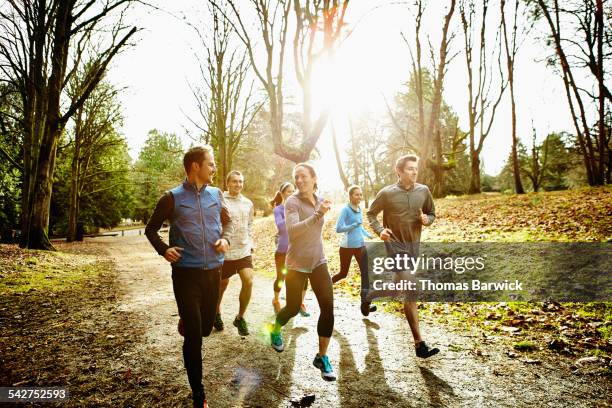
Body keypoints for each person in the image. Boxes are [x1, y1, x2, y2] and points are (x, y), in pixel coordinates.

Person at [145, 145, 233, 408]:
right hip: (185, 275)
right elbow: (150, 230)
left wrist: (225, 239)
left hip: (213, 272)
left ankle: (189, 319)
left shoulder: (217, 195)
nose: (215, 168)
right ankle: (198, 393)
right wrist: (164, 249)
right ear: (195, 166)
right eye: (211, 164)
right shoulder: (171, 198)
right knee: (194, 337)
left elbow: (227, 222)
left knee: (205, 328)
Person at [366, 154, 440, 359]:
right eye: (409, 168)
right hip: (395, 247)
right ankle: (419, 344)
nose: (414, 172)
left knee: (394, 290)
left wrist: (427, 220)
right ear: (399, 171)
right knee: (411, 289)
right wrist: (380, 230)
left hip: (413, 248)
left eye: (415, 168)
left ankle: (369, 297)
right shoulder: (387, 193)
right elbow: (371, 214)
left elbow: (432, 213)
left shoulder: (423, 191)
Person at [269, 163, 337, 381]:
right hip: (296, 265)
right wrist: (318, 214)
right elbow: (293, 231)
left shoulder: (320, 200)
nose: (299, 181)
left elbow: (316, 229)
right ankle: (276, 328)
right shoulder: (291, 202)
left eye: (303, 176)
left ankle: (322, 356)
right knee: (292, 307)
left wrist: (321, 211)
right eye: (296, 177)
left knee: (328, 306)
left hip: (318, 261)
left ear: (314, 178)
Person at [215, 171, 254, 336]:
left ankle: (240, 317)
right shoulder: (220, 201)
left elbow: (250, 224)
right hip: (226, 252)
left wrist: (251, 242)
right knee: (221, 286)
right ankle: (216, 313)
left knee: (249, 280)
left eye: (240, 181)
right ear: (228, 183)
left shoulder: (248, 203)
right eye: (235, 182)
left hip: (244, 250)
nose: (238, 184)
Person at [332, 185, 376, 316]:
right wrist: (352, 226)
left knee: (366, 272)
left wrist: (367, 234)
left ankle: (365, 304)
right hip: (347, 247)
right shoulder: (345, 210)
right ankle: (325, 286)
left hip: (360, 245)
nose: (359, 197)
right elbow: (339, 228)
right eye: (357, 194)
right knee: (343, 273)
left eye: (361, 194)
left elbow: (359, 226)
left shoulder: (359, 209)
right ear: (351, 196)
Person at [270, 182, 309, 317]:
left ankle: (300, 304)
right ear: (282, 194)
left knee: (304, 278)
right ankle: (276, 300)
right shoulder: (278, 210)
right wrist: (290, 211)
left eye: (293, 191)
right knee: (281, 277)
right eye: (288, 191)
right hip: (283, 250)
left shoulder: (300, 208)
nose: (292, 194)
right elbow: (281, 227)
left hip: (298, 250)